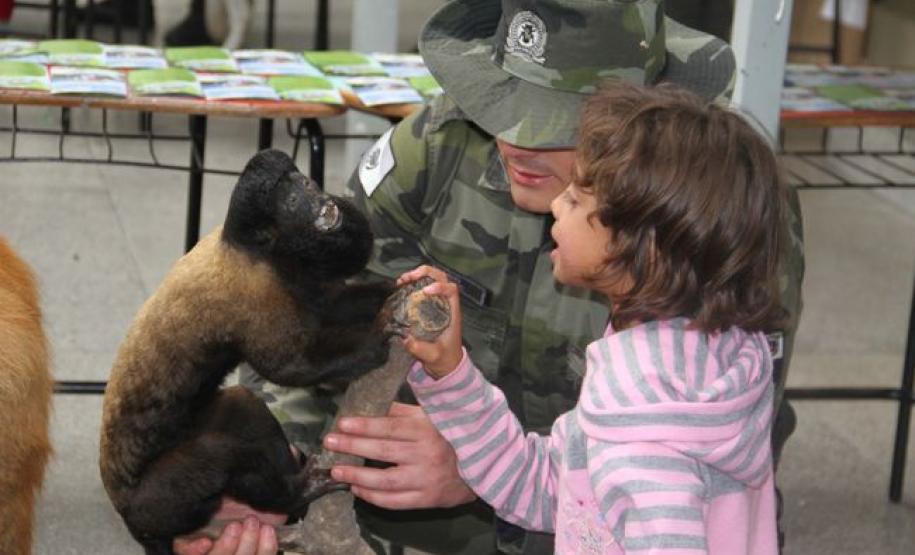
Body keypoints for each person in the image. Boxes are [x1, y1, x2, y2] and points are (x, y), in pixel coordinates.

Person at [175, 0, 804, 553]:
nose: (514, 139)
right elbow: (300, 320)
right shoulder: (438, 148)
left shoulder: (714, 217)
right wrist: (269, 478)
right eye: (502, 97)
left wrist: (471, 473)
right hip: (404, 518)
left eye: (558, 119)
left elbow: (718, 458)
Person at [398, 80, 784, 554]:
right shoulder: (701, 354)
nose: (558, 204)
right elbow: (545, 487)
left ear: (643, 248)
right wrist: (450, 372)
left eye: (578, 200)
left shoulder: (646, 446)